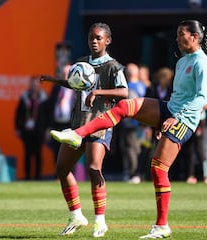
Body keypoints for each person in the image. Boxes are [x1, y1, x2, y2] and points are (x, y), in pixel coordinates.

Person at [50, 20, 207, 238]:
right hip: (170, 110)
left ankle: (162, 226)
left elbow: (202, 99)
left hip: (185, 121)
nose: (176, 38)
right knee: (126, 106)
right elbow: (177, 97)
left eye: (180, 34)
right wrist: (158, 119)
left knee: (158, 168)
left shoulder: (203, 63)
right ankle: (77, 133)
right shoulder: (183, 61)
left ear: (194, 36)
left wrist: (177, 119)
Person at [40, 22, 128, 237]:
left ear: (107, 40)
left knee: (93, 168)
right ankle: (76, 215)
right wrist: (55, 80)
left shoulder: (113, 66)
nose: (94, 41)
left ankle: (100, 221)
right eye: (91, 37)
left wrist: (98, 93)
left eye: (99, 38)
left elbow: (124, 92)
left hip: (100, 124)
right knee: (61, 168)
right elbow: (76, 83)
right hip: (79, 124)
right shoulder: (80, 62)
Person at [15, 76, 47, 180]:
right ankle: (27, 176)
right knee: (27, 153)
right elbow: (18, 114)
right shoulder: (25, 97)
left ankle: (38, 176)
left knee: (38, 153)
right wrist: (18, 128)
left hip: (39, 130)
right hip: (27, 130)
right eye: (33, 84)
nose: (34, 86)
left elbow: (47, 115)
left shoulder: (43, 98)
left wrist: (47, 129)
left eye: (36, 84)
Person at [45, 65, 76, 167]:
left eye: (67, 73)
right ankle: (58, 175)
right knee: (56, 150)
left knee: (69, 151)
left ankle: (70, 175)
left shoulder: (76, 88)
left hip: (69, 124)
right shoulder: (56, 87)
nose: (65, 75)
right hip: (56, 123)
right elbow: (50, 106)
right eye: (63, 73)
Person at [121, 63, 146, 183]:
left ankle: (133, 174)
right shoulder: (143, 86)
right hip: (141, 122)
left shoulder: (126, 87)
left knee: (131, 149)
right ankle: (133, 173)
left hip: (131, 122)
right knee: (135, 149)